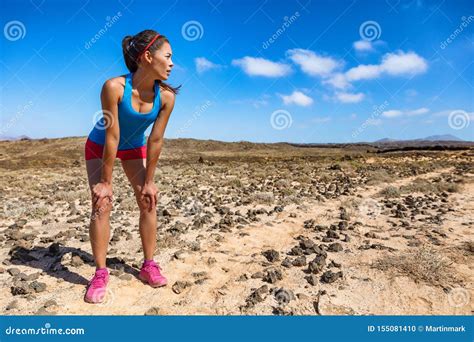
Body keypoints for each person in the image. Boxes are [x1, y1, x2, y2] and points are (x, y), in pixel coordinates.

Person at [83, 29, 179, 304]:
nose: (172, 63)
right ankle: (100, 273)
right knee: (102, 202)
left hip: (134, 148)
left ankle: (149, 265)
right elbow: (112, 136)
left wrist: (149, 181)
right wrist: (105, 182)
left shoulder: (167, 97)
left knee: (148, 200)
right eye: (168, 56)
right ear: (147, 56)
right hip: (100, 146)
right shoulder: (114, 87)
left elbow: (156, 139)